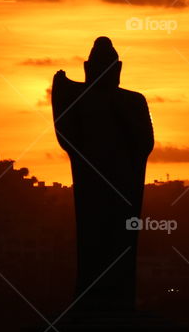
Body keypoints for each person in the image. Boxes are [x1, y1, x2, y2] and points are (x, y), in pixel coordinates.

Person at [51, 37, 154, 311]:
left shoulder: (132, 100)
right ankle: (90, 295)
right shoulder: (81, 100)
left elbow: (145, 143)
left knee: (120, 240)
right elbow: (67, 137)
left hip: (123, 182)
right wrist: (61, 95)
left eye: (109, 68)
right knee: (91, 239)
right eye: (97, 67)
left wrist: (121, 113)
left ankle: (120, 296)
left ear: (118, 68)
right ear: (87, 68)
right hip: (90, 181)